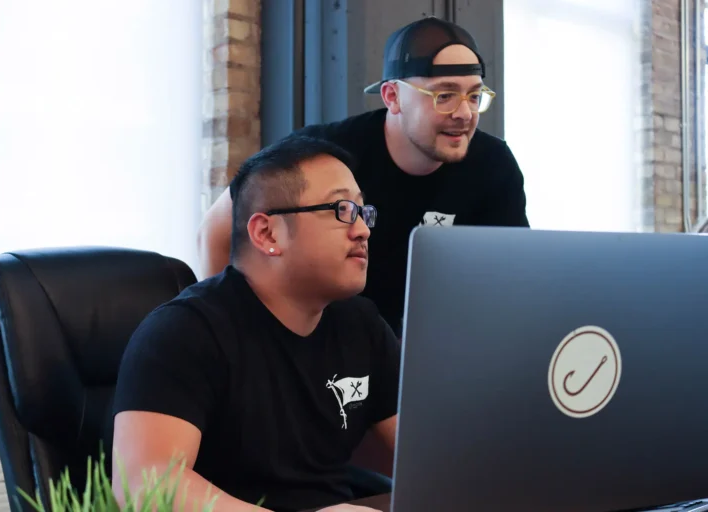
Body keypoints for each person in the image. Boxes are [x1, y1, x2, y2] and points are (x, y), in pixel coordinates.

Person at [111, 134, 401, 512]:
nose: (362, 229)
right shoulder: (183, 333)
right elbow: (144, 485)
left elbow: (427, 453)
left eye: (364, 212)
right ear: (266, 233)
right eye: (342, 209)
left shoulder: (362, 326)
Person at [195, 16, 530, 336]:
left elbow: (514, 276)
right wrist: (226, 333)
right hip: (330, 348)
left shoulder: (493, 166)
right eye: (444, 96)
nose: (464, 113)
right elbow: (216, 230)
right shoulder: (324, 154)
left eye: (474, 96)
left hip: (432, 346)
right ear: (392, 96)